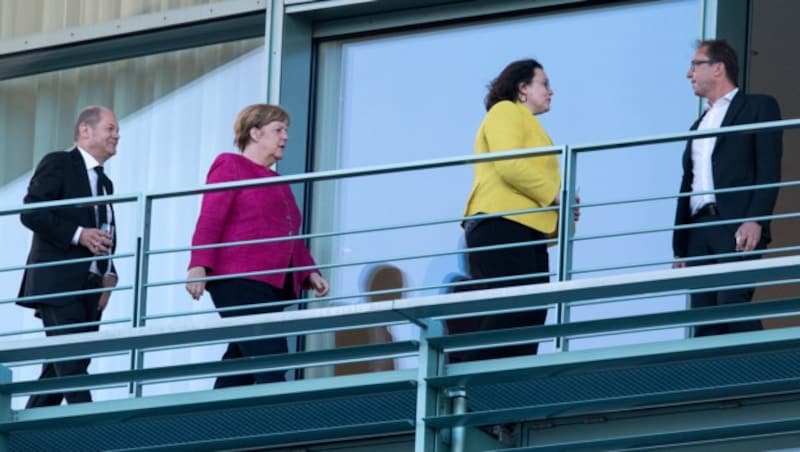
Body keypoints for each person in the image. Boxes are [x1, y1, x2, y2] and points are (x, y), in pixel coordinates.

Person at [186, 104, 329, 388]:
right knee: (270, 356)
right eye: (278, 130)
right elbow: (211, 217)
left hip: (270, 284)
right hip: (239, 280)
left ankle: (211, 424)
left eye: (286, 130)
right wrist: (198, 265)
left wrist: (310, 271)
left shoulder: (277, 180)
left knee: (241, 361)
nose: (286, 137)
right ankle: (273, 422)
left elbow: (289, 234)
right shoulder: (230, 165)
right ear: (254, 133)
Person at [456, 59, 577, 362]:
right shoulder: (505, 111)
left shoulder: (532, 125)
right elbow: (510, 163)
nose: (551, 91)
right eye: (544, 83)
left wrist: (563, 208)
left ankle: (507, 380)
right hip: (500, 222)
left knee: (532, 311)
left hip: (524, 227)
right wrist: (555, 196)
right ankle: (466, 374)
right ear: (522, 88)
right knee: (516, 306)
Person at [672, 39, 782, 337]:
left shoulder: (759, 106)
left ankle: (769, 370)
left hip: (735, 223)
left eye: (695, 65)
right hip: (697, 230)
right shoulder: (698, 124)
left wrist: (755, 219)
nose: (688, 73)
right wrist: (680, 246)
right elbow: (689, 182)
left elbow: (769, 169)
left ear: (718, 68)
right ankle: (717, 380)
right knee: (705, 319)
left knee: (732, 302)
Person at [18, 105, 120, 407]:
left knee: (62, 367)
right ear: (85, 130)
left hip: (90, 286)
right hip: (58, 282)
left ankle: (24, 438)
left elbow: (105, 228)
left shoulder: (104, 182)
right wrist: (78, 233)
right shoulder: (59, 163)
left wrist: (109, 272)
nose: (117, 135)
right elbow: (31, 212)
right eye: (111, 128)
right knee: (72, 363)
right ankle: (90, 432)